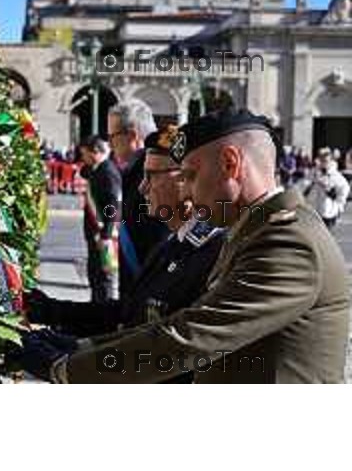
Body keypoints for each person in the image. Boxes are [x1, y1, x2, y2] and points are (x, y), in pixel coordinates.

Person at [20, 109, 350, 384]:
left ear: (231, 164)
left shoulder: (287, 241)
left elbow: (191, 337)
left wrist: (65, 368)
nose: (187, 193)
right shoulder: (253, 230)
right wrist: (77, 348)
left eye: (190, 176)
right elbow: (150, 323)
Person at [25, 126, 225, 340]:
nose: (142, 187)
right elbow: (129, 312)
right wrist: (50, 311)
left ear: (184, 180)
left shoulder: (210, 253)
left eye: (152, 176)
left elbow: (165, 340)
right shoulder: (170, 245)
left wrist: (65, 360)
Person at [107, 102, 169, 301]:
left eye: (112, 136)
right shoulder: (131, 172)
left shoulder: (152, 175)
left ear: (132, 136)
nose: (109, 144)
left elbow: (159, 238)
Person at [79, 135, 122, 303]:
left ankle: (103, 313)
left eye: (84, 154)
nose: (82, 158)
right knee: (95, 275)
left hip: (104, 236)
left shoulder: (108, 171)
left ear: (95, 152)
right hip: (97, 234)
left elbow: (114, 204)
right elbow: (84, 171)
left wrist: (106, 234)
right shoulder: (98, 168)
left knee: (104, 277)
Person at [304, 148, 350, 229]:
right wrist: (312, 183)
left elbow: (344, 190)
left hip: (328, 213)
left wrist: (339, 207)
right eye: (321, 159)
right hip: (312, 212)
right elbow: (302, 186)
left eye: (326, 160)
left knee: (324, 239)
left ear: (330, 160)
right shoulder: (313, 172)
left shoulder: (335, 176)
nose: (323, 162)